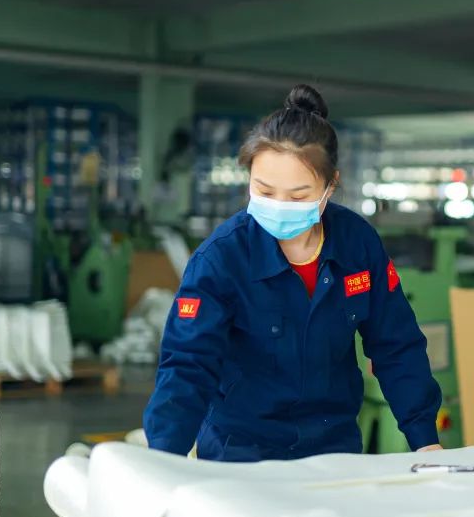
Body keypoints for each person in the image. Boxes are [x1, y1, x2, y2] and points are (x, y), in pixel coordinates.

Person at [143, 84, 443, 462]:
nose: (279, 206)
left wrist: (424, 438)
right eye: (264, 191)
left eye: (298, 196)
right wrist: (163, 458)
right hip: (240, 450)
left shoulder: (357, 245)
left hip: (333, 449)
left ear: (330, 186)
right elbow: (188, 366)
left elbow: (396, 344)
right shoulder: (221, 260)